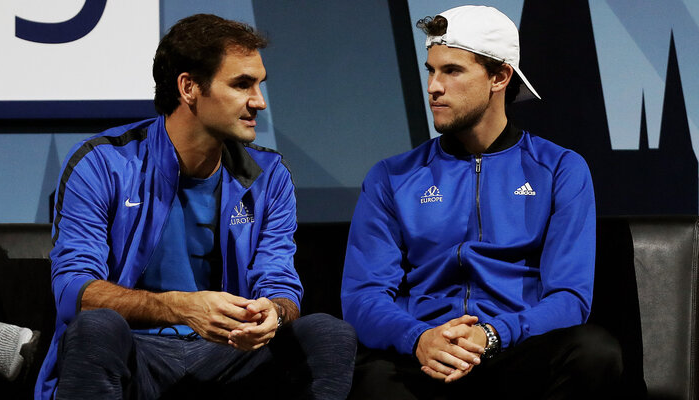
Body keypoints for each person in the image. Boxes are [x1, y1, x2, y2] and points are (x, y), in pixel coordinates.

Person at [35, 14, 356, 399]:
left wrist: (273, 312)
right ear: (189, 87)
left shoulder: (270, 175)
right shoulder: (102, 163)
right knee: (96, 328)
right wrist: (180, 308)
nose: (259, 101)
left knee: (328, 334)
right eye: (241, 85)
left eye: (259, 85)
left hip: (229, 356)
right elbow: (74, 290)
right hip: (136, 353)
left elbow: (279, 281)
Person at [341, 5, 622, 399]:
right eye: (430, 70)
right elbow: (363, 296)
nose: (433, 87)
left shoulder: (560, 168)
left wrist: (490, 335)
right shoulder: (392, 176)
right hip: (422, 356)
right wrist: (419, 337)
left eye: (452, 71)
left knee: (594, 353)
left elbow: (570, 298)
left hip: (514, 352)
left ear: (500, 76)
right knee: (367, 379)